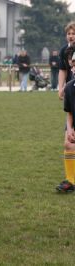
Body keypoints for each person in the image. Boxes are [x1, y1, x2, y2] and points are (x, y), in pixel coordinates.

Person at [57, 42, 75, 192]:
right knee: (68, 144)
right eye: (73, 65)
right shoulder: (69, 87)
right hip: (73, 122)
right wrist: (69, 129)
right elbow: (69, 112)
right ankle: (71, 181)